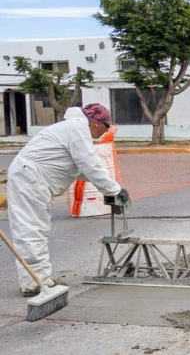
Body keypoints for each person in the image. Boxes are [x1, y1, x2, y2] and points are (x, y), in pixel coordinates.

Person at [7, 103, 127, 297]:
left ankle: (38, 279)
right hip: (29, 179)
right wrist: (113, 190)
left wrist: (113, 190)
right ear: (97, 123)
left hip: (32, 179)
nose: (106, 132)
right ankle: (34, 283)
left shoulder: (73, 128)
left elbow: (82, 169)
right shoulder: (78, 128)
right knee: (31, 230)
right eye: (107, 127)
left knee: (36, 230)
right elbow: (89, 164)